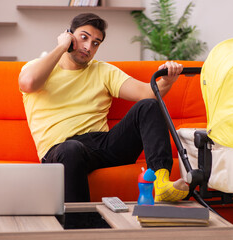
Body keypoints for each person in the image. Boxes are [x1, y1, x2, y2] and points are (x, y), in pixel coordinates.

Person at [18, 13, 189, 202]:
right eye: (84, 37)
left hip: (103, 145)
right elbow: (29, 83)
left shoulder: (103, 71)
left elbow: (147, 93)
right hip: (61, 150)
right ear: (69, 35)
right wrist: (61, 46)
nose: (88, 47)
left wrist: (167, 80)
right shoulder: (38, 67)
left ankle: (161, 182)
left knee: (148, 105)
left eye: (96, 43)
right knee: (72, 149)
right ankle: (81, 225)